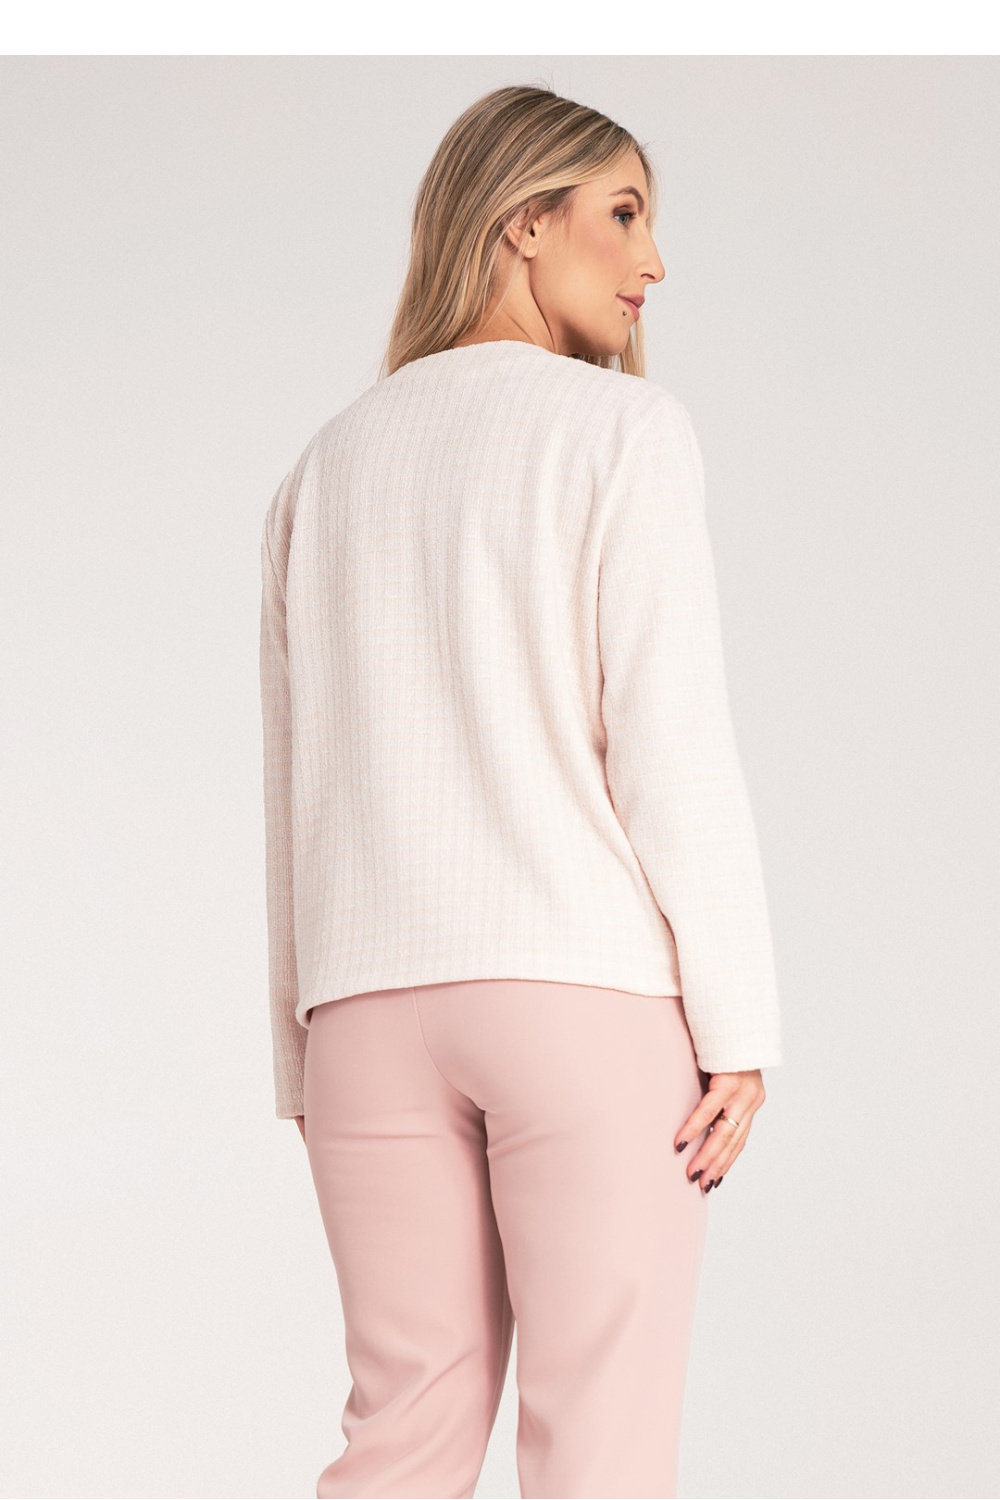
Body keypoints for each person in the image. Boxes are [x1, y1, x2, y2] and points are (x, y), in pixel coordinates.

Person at [258, 83, 783, 1500]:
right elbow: (669, 742)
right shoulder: (620, 432)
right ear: (520, 222)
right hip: (577, 995)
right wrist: (739, 1025)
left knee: (401, 1437)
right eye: (623, 214)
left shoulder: (327, 463)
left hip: (365, 1013)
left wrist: (300, 1044)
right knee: (599, 1444)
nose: (653, 260)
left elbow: (298, 781)